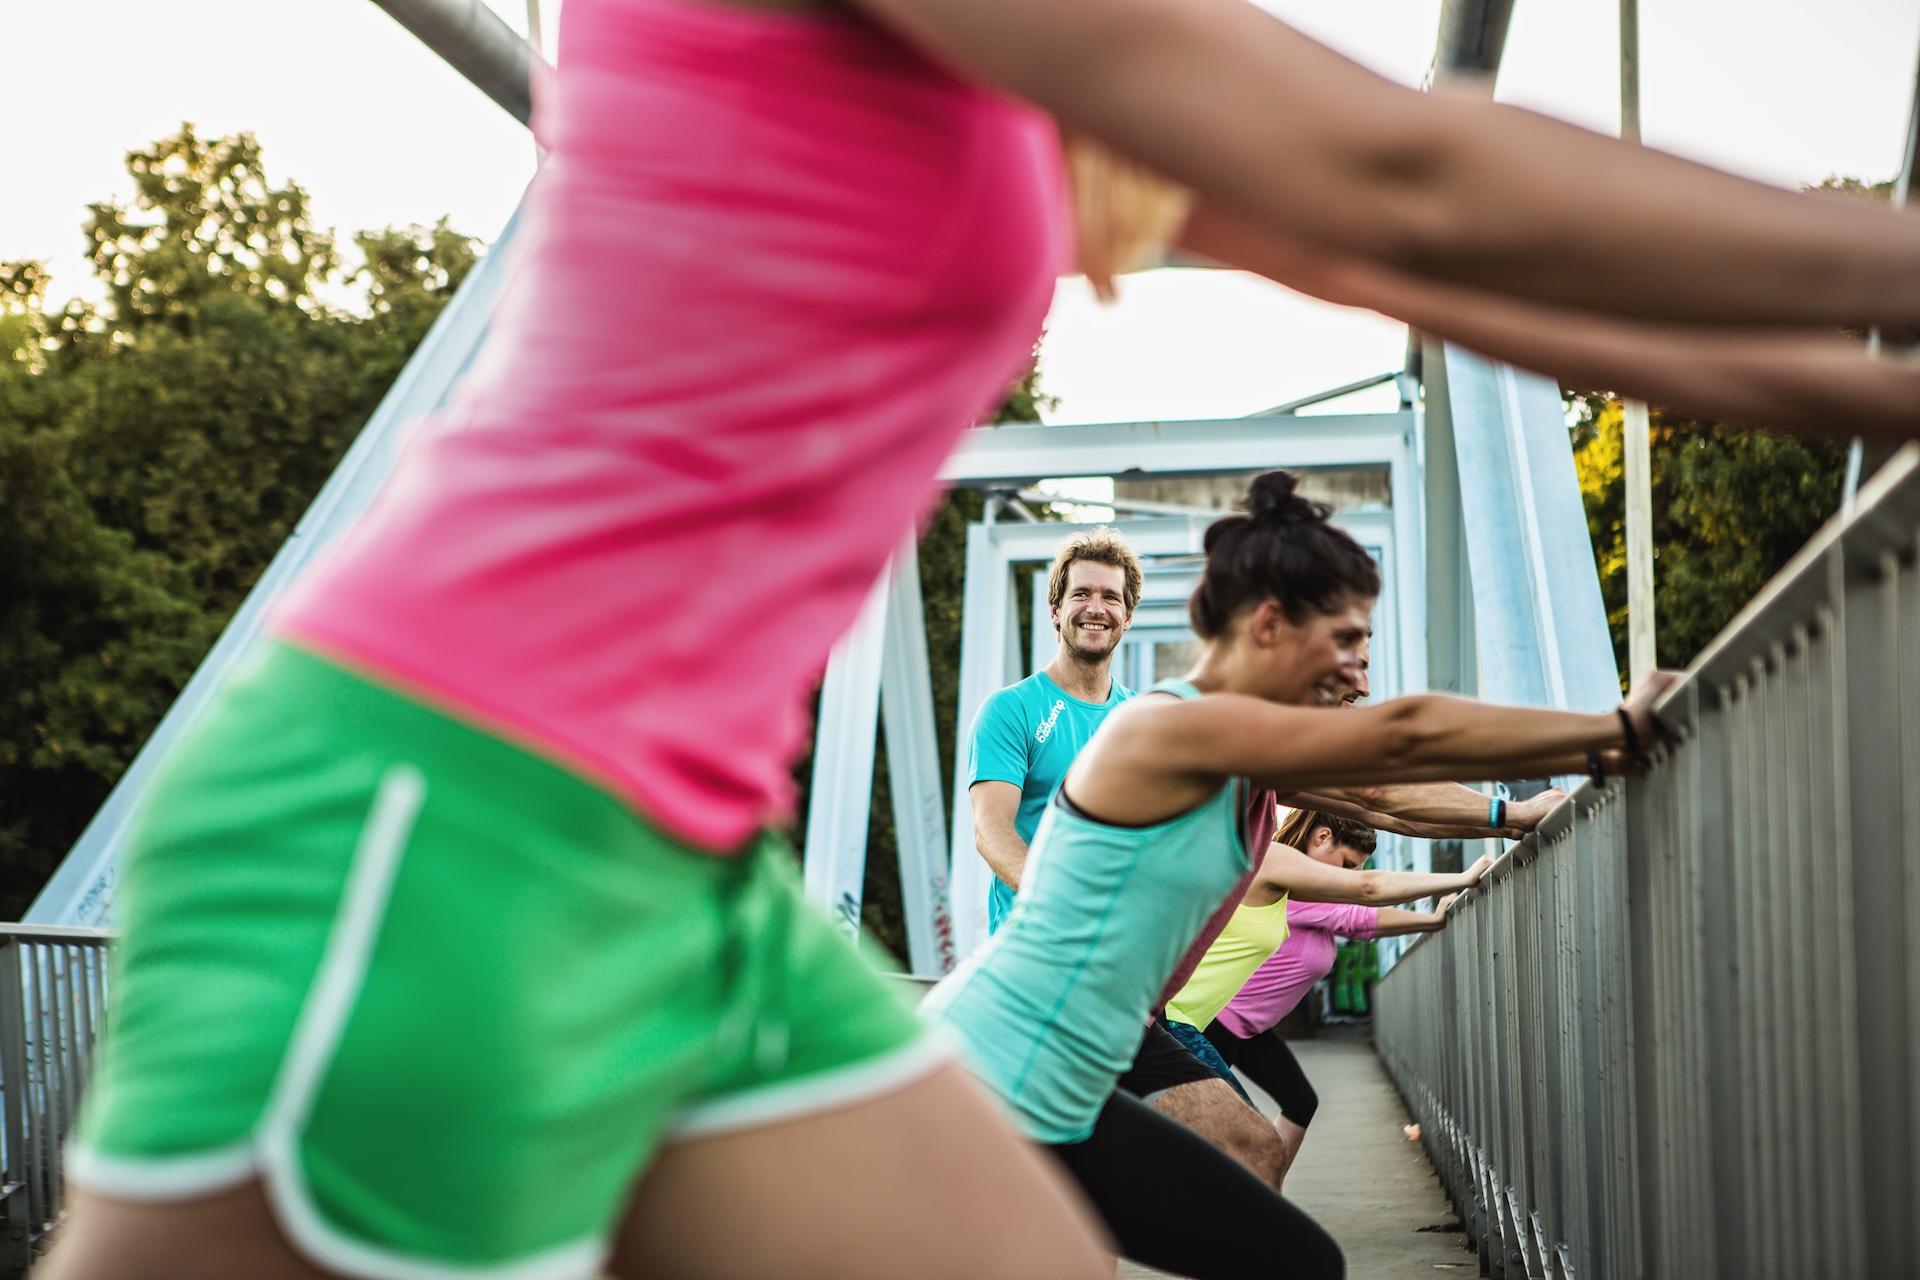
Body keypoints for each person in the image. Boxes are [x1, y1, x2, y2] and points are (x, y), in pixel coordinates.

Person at [45, 0, 1911, 1271]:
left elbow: (1426, 249)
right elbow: (1393, 174)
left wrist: (1833, 378)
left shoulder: (994, 84)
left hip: (679, 885)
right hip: (437, 808)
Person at [922, 469, 1676, 1279]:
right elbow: (1399, 741)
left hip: (1088, 1052)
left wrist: (1507, 815)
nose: (1359, 673)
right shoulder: (1172, 730)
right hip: (1000, 1061)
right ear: (1273, 625)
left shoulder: (1241, 754)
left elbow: (1386, 799)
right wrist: (1613, 731)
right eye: (1347, 641)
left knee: (1262, 1189)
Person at [1168, 810, 1460, 1188]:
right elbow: (1360, 915)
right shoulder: (1288, 884)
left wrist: (1433, 919)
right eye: (1347, 864)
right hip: (1215, 1024)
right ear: (1321, 838)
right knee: (1229, 1137)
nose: (1349, 876)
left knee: (1295, 1105)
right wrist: (1433, 915)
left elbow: (1355, 921)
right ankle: (1237, 1209)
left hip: (1248, 1027)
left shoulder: (1305, 890)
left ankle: (1260, 1198)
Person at [969, 527, 1141, 933]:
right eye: (1081, 594)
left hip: (1117, 953)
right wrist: (1060, 906)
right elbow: (990, 830)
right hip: (1032, 947)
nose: (1096, 608)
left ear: (1128, 617)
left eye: (1110, 597)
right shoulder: (1011, 710)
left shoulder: (1142, 718)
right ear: (1055, 610)